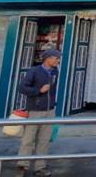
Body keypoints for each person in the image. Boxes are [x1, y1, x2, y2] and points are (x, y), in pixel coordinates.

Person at [16, 49, 61, 177]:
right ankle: (22, 165)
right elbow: (22, 88)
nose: (58, 61)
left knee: (44, 140)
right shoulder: (34, 71)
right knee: (28, 139)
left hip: (49, 111)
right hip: (35, 111)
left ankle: (40, 167)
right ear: (48, 58)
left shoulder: (55, 72)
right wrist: (38, 91)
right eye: (56, 58)